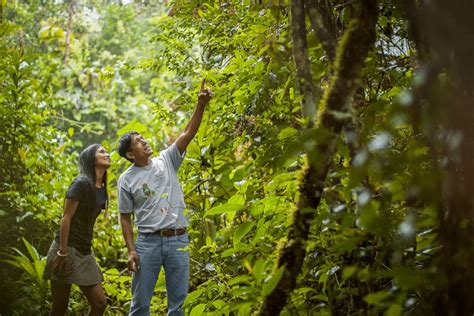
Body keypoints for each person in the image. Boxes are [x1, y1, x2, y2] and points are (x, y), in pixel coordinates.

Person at [117, 80, 212, 315]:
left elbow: (188, 132)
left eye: (143, 138)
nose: (145, 141)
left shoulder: (167, 160)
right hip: (148, 243)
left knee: (177, 306)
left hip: (178, 239)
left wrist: (200, 104)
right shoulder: (127, 180)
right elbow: (125, 218)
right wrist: (131, 250)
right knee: (140, 305)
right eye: (138, 142)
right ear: (130, 154)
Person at [43, 144, 111, 316]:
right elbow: (66, 217)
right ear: (91, 158)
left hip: (84, 251)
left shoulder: (101, 189)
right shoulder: (81, 183)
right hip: (66, 249)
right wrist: (62, 251)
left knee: (99, 303)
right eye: (102, 152)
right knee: (59, 306)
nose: (107, 154)